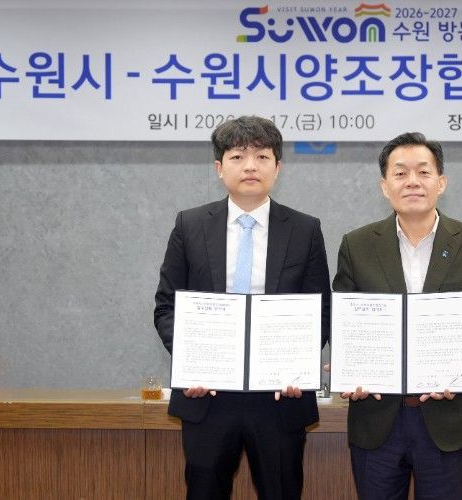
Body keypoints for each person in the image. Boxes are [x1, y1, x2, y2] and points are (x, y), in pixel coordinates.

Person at [154, 116, 331, 500]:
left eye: (262, 157)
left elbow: (320, 311)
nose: (250, 166)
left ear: (277, 167)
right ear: (220, 168)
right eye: (238, 157)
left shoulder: (305, 230)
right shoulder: (190, 225)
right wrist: (192, 361)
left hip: (279, 398)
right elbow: (167, 307)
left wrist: (297, 365)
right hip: (208, 396)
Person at [332, 132, 462, 499]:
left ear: (441, 182)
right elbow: (343, 320)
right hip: (376, 419)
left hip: (447, 420)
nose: (412, 181)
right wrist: (350, 365)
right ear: (384, 186)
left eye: (423, 172)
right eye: (400, 173)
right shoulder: (357, 245)